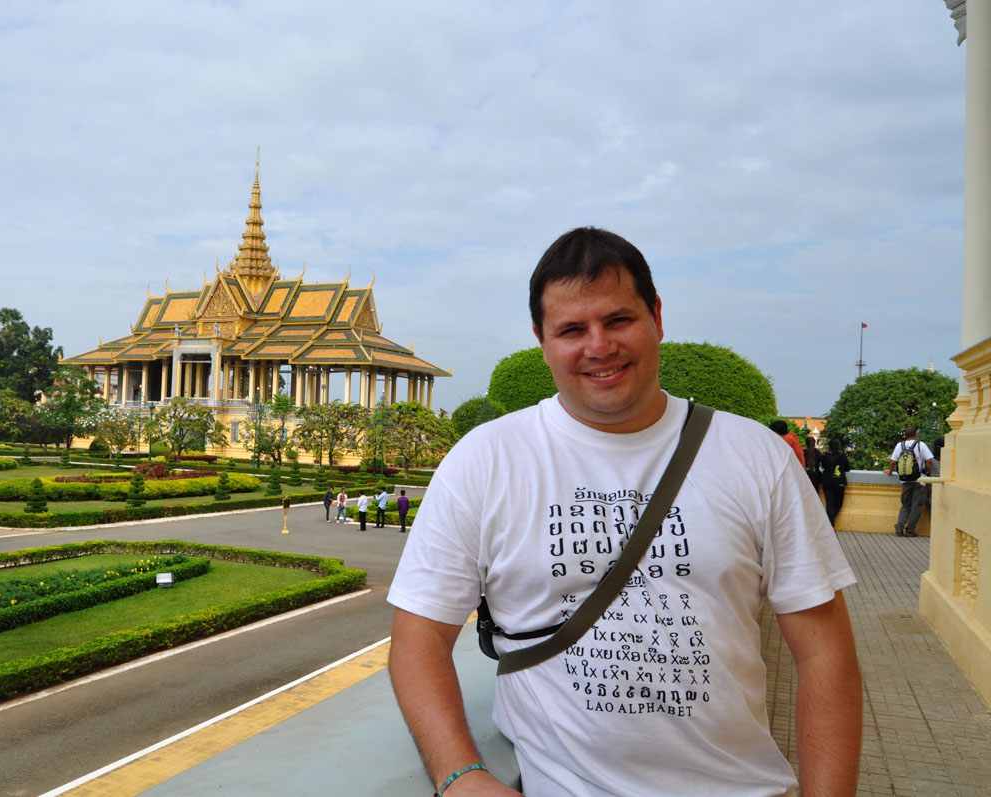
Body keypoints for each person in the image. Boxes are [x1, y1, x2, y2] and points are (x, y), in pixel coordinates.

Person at [387, 227, 861, 797]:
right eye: (572, 330)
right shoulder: (486, 460)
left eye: (618, 320)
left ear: (656, 317)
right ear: (541, 339)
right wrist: (460, 775)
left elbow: (825, 652)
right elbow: (418, 636)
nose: (599, 346)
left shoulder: (755, 456)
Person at [884, 426, 934, 538]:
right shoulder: (921, 445)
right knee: (916, 506)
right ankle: (910, 530)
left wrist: (890, 471)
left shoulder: (899, 445)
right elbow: (930, 461)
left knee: (905, 505)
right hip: (919, 480)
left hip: (905, 480)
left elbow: (893, 462)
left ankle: (899, 527)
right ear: (916, 435)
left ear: (905, 436)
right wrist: (929, 474)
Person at [818, 439, 851, 529]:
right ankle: (829, 524)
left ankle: (830, 525)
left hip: (827, 482)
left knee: (829, 504)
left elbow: (823, 466)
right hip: (839, 482)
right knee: (838, 504)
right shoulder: (842, 455)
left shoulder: (824, 456)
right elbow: (848, 468)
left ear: (829, 447)